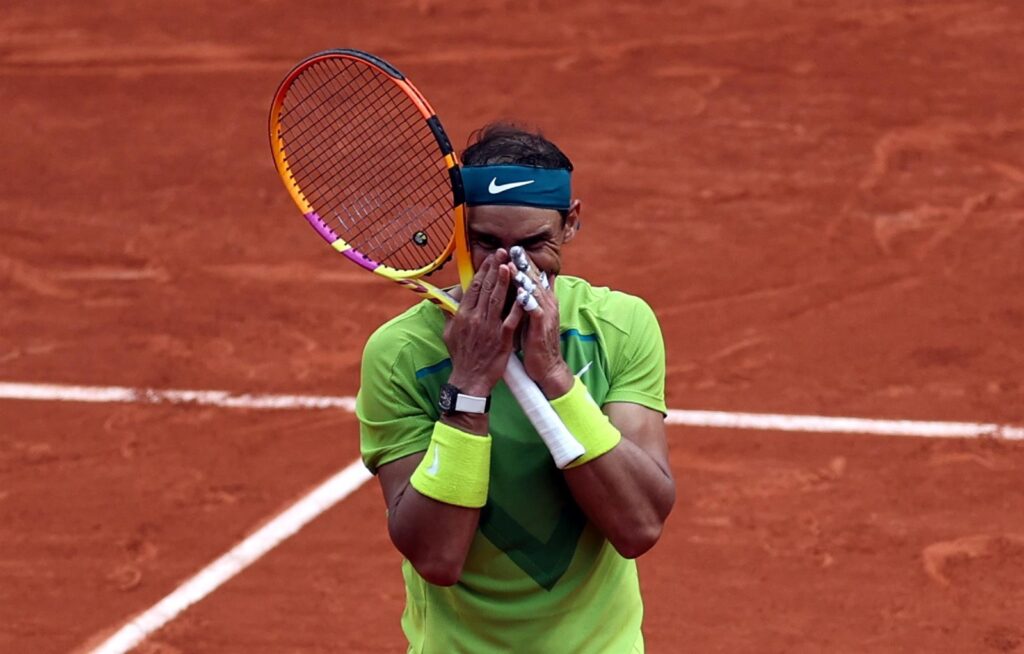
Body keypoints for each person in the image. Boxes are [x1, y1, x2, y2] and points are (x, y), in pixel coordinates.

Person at [356, 123, 674, 653]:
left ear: (570, 223)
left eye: (534, 243)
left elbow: (638, 525)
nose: (511, 265)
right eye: (486, 243)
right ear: (458, 231)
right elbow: (436, 557)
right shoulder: (402, 355)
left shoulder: (617, 326)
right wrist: (470, 384)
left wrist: (553, 374)